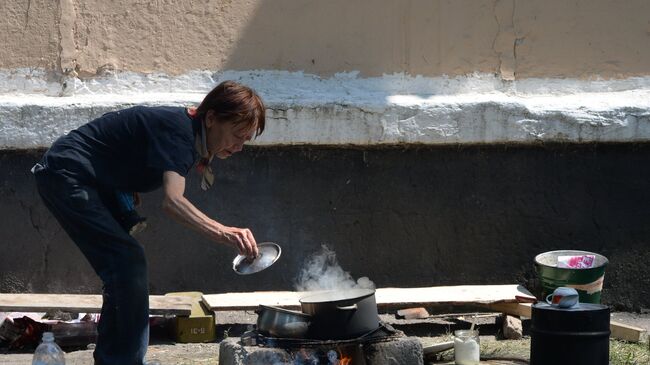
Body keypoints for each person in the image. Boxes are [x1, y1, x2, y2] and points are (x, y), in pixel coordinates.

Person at [32, 80, 265, 365]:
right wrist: (223, 232)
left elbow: (121, 143)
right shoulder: (180, 132)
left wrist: (123, 182)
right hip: (67, 175)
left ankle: (115, 358)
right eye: (237, 135)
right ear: (212, 118)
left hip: (83, 177)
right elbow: (173, 201)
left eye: (246, 139)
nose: (239, 146)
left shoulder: (189, 132)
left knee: (123, 267)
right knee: (127, 262)